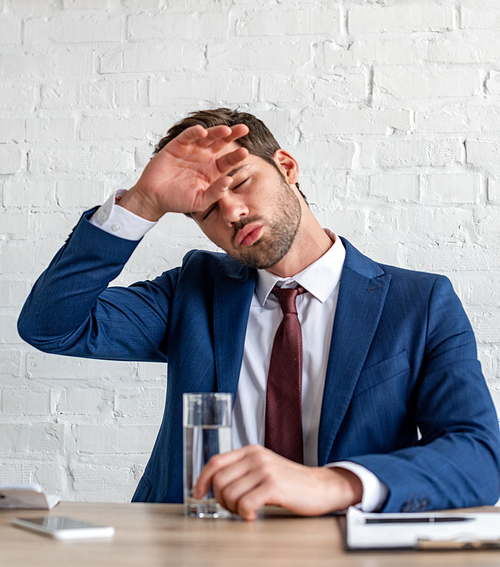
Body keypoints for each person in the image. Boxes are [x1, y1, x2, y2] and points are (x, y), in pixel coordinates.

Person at [18, 108, 500, 520]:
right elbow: (52, 326)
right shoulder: (192, 290)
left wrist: (333, 485)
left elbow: (479, 457)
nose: (230, 212)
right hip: (190, 545)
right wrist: (141, 204)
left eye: (241, 183)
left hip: (342, 547)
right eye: (207, 211)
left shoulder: (419, 302)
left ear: (287, 166)